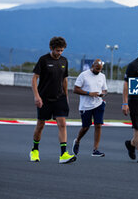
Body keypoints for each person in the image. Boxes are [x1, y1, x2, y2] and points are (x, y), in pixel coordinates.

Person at [30, 36, 76, 164]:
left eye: (61, 50)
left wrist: (66, 96)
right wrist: (36, 96)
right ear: (51, 48)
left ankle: (63, 154)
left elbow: (65, 80)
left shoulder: (64, 61)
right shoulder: (43, 60)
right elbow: (34, 79)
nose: (59, 53)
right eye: (57, 50)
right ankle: (34, 150)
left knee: (62, 124)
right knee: (40, 125)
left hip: (59, 98)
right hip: (44, 98)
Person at [72, 59, 108, 157]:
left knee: (98, 125)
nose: (98, 71)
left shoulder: (102, 76)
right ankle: (77, 140)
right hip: (86, 106)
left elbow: (105, 90)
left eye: (100, 69)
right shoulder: (83, 75)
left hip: (98, 104)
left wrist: (102, 94)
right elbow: (75, 89)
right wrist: (89, 93)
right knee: (85, 127)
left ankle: (95, 149)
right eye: (97, 69)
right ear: (92, 66)